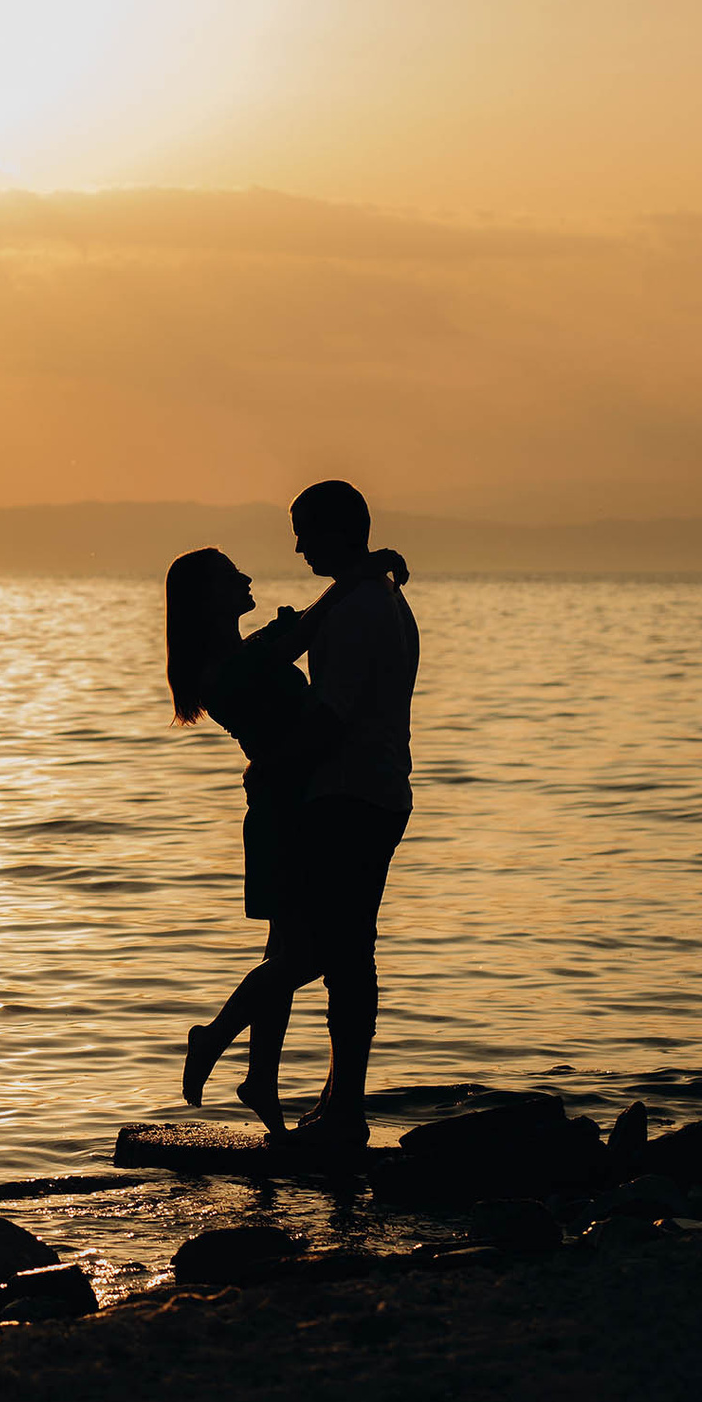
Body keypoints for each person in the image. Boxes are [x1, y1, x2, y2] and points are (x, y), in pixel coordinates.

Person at [174, 481, 418, 1148]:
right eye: (230, 577)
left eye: (303, 532)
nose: (289, 551)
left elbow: (305, 633)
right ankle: (225, 1045)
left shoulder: (252, 649)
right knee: (311, 952)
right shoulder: (225, 669)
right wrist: (363, 571)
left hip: (309, 797)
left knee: (296, 949)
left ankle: (258, 1075)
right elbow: (308, 650)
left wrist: (363, 571)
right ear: (207, 601)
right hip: (289, 804)